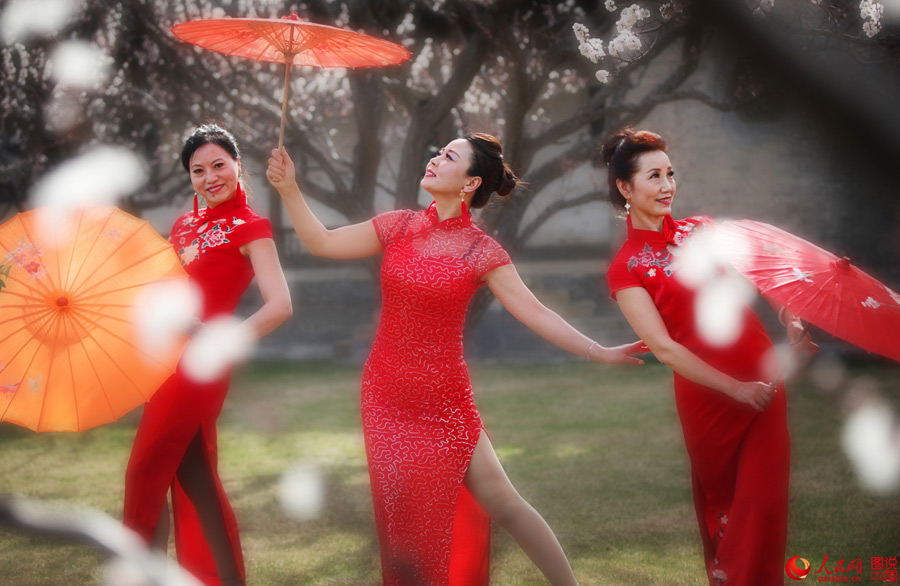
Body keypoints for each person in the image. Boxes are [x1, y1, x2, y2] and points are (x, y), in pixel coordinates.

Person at [266, 133, 646, 586]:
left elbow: (536, 312)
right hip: (386, 398)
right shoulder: (398, 226)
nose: (434, 158)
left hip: (445, 403)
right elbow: (323, 243)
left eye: (449, 156)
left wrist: (596, 350)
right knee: (404, 525)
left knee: (504, 501)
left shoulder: (480, 251)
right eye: (438, 150)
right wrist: (289, 188)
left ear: (470, 183)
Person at [601, 127, 816, 585]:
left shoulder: (704, 229)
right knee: (728, 508)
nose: (667, 186)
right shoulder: (628, 267)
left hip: (763, 377)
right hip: (711, 396)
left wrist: (789, 313)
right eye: (653, 176)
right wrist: (736, 389)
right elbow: (664, 348)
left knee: (764, 503)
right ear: (625, 187)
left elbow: (761, 271)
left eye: (670, 174)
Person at [124, 124, 292, 586]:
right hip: (163, 364)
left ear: (238, 165)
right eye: (198, 170)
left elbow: (281, 305)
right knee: (193, 478)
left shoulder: (251, 226)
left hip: (200, 366)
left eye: (219, 164)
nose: (210, 176)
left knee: (143, 472)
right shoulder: (181, 226)